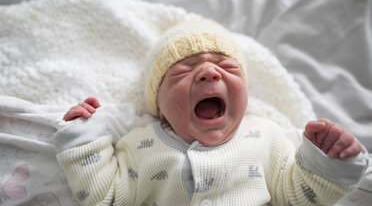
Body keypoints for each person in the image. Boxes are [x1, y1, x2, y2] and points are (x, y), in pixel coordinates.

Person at [53, 19, 369, 206]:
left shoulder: (266, 137)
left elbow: (298, 196)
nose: (208, 72)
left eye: (226, 66)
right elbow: (103, 196)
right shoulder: (139, 144)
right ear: (158, 105)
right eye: (182, 71)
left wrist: (327, 162)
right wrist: (85, 135)